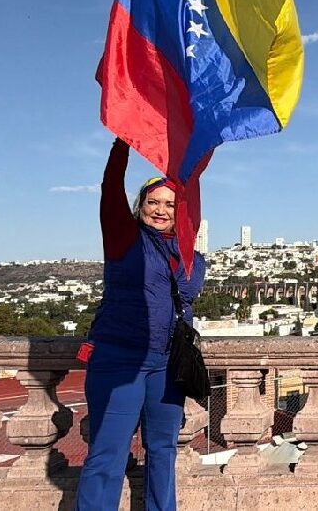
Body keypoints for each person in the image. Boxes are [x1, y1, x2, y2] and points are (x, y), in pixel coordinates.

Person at [76, 138, 206, 511]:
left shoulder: (188, 253)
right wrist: (123, 140)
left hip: (168, 365)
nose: (161, 210)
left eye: (169, 204)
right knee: (108, 455)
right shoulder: (124, 236)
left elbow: (193, 194)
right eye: (153, 202)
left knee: (163, 451)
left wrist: (195, 149)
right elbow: (110, 187)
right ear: (140, 206)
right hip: (121, 359)